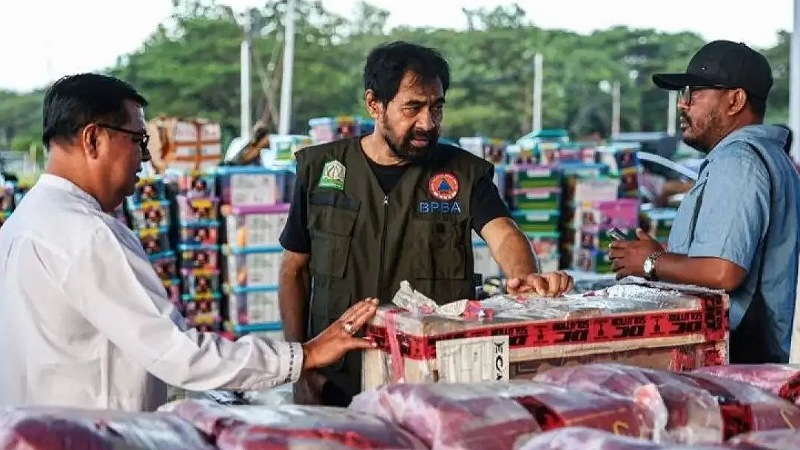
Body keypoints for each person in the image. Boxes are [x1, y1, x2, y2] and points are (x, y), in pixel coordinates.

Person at [0, 73, 379, 412]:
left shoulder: (24, 222)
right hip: (91, 434)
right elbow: (176, 352)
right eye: (139, 140)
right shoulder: (87, 233)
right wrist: (305, 355)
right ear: (93, 138)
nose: (146, 158)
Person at [279, 41, 574, 407]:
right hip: (335, 381)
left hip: (434, 385)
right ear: (374, 104)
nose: (428, 123)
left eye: (437, 107)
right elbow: (294, 270)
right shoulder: (321, 170)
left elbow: (504, 233)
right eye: (413, 107)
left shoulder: (464, 173)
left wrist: (526, 277)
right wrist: (301, 366)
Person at [608, 40, 800, 364]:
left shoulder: (739, 161)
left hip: (733, 357)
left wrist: (652, 262)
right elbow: (721, 256)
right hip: (749, 356)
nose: (683, 105)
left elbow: (724, 272)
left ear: (735, 100)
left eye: (694, 93)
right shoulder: (767, 156)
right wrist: (667, 255)